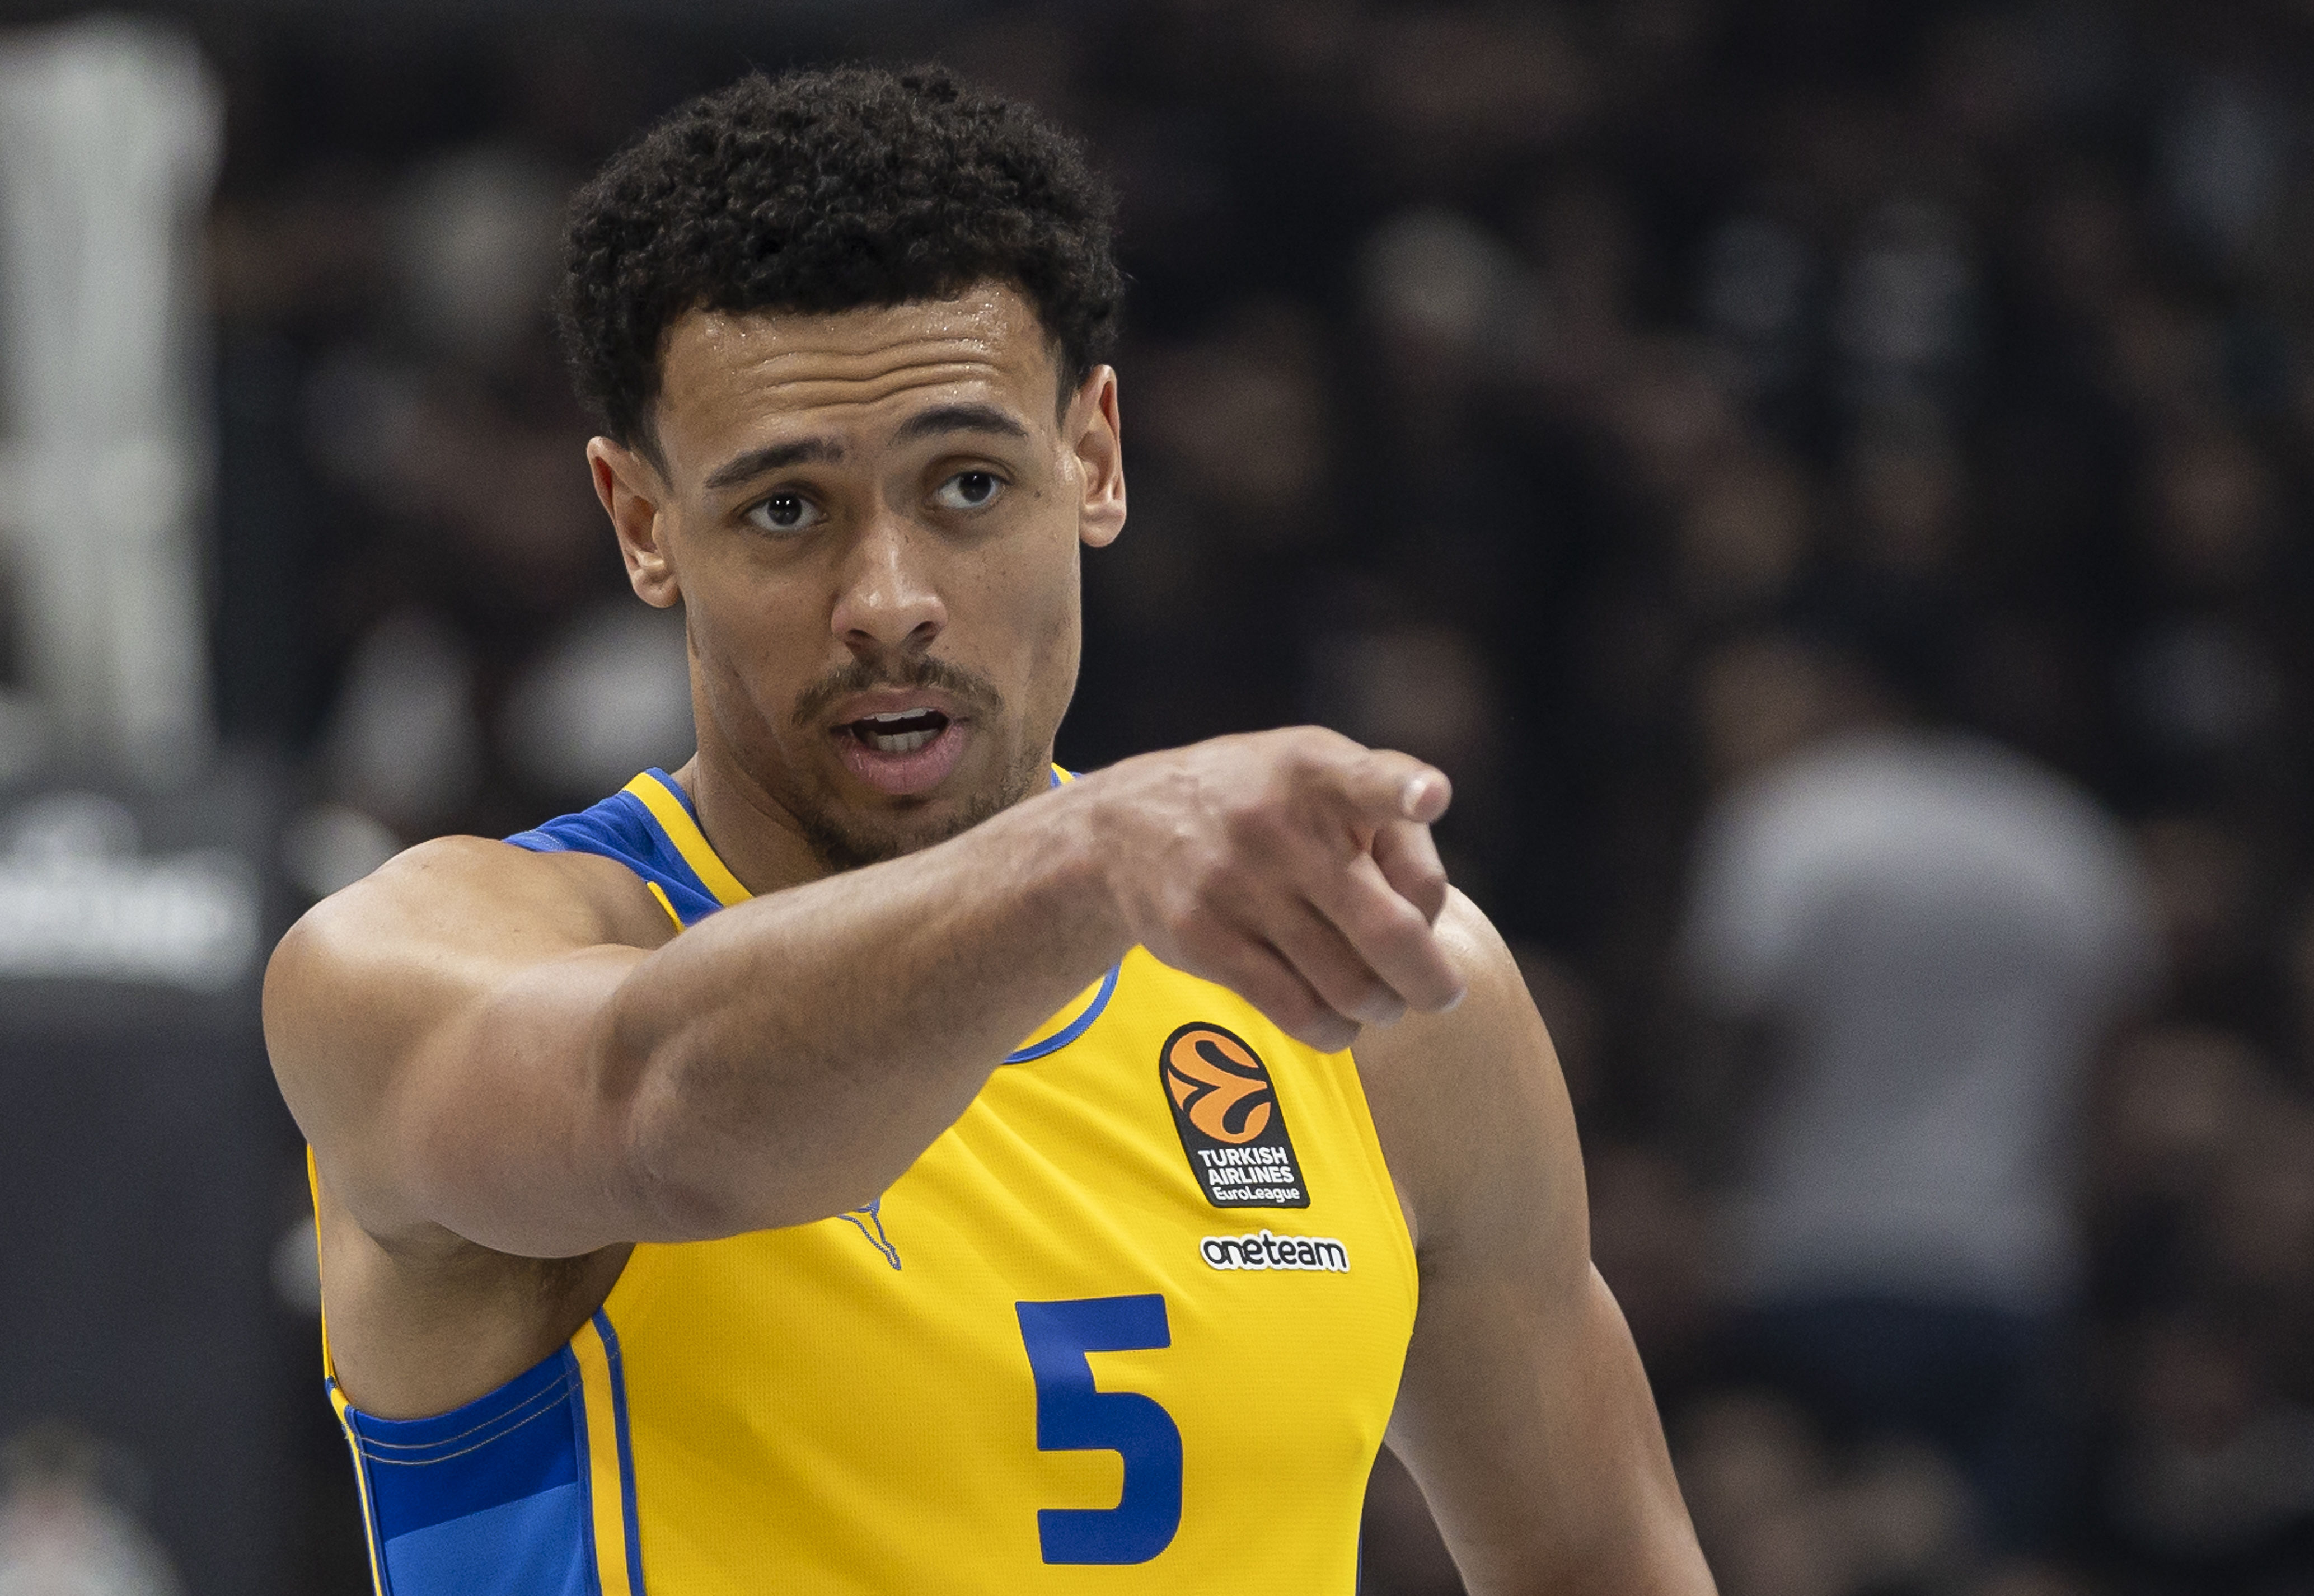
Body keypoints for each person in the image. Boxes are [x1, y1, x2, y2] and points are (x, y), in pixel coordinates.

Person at [264, 65, 1712, 1595]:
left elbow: (1596, 1560)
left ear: (1090, 456)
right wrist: (1084, 859)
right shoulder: (409, 963)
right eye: (783, 511)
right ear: (639, 521)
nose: (886, 597)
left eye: (965, 483)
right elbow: (671, 1116)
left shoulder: (1381, 999)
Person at [1683, 626, 2158, 1557]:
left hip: (1806, 1252)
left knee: (1785, 1544)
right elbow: (2110, 1084)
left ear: (1850, 687)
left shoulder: (1789, 821)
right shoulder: (2064, 839)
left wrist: (1708, 1193)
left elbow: (1736, 1041)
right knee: (1957, 1553)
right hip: (2003, 1264)